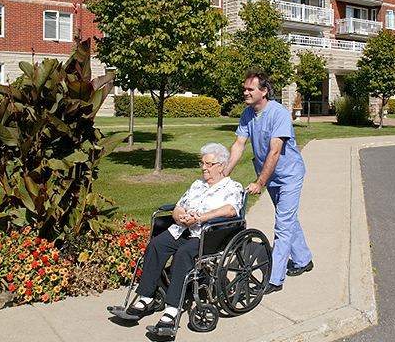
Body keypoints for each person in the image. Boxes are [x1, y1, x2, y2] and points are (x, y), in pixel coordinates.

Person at [121, 143, 244, 335]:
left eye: (209, 164)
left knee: (183, 254)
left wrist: (201, 218)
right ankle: (146, 296)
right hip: (183, 230)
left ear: (221, 165)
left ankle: (172, 309)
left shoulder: (232, 187)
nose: (204, 167)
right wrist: (181, 217)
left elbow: (230, 210)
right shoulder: (197, 185)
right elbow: (179, 206)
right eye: (202, 163)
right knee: (156, 245)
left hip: (207, 235)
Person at [224, 68, 314, 295]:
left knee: (282, 224)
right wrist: (223, 175)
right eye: (244, 89)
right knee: (288, 218)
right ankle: (304, 260)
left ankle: (275, 279)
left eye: (249, 89)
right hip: (271, 175)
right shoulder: (248, 114)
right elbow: (238, 146)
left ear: (264, 91)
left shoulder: (279, 113)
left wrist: (259, 182)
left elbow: (275, 152)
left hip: (289, 174)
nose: (245, 92)